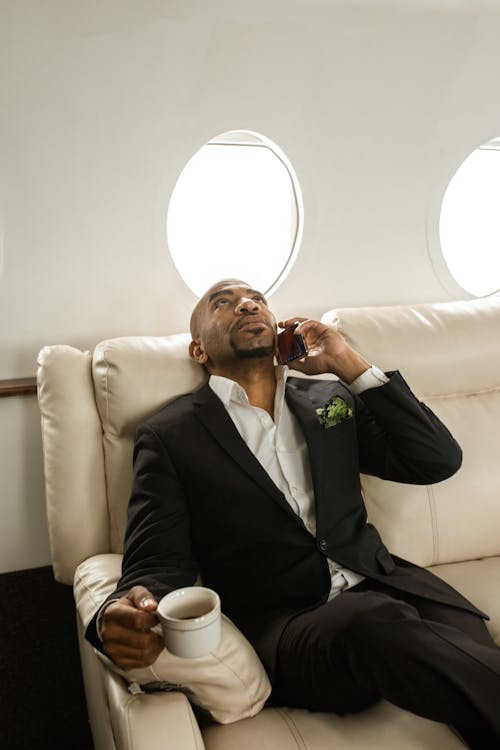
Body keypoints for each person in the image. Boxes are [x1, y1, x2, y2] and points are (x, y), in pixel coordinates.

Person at [86, 279, 500, 749]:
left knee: (471, 682)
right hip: (289, 629)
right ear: (199, 350)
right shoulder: (169, 436)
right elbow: (156, 561)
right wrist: (115, 613)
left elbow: (436, 459)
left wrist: (348, 364)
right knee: (370, 619)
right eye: (223, 303)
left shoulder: (330, 399)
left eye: (257, 299)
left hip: (393, 587)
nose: (246, 304)